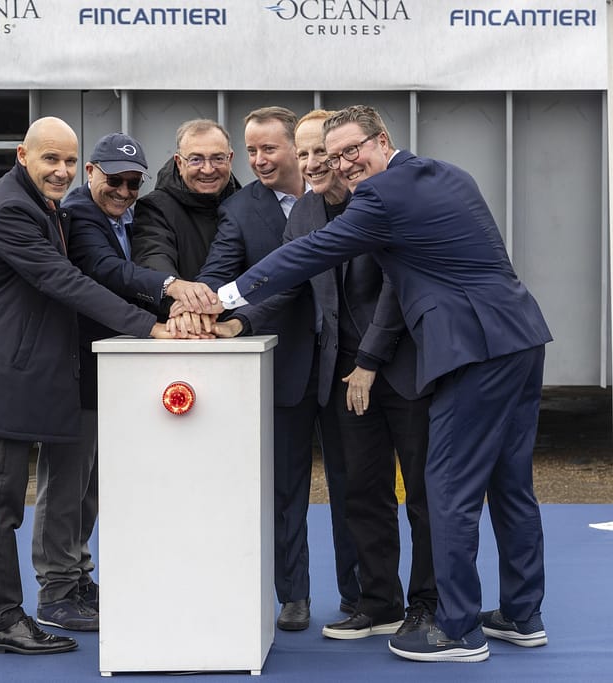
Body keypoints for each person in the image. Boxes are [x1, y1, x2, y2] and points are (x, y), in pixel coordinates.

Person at [209, 104, 552, 663]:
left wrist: (223, 297)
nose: (344, 164)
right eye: (335, 155)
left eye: (353, 150)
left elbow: (309, 252)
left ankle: (458, 629)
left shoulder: (380, 197)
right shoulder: (446, 173)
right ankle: (521, 613)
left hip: (473, 350)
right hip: (520, 335)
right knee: (511, 485)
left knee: (446, 488)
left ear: (382, 139)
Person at [0, 117, 181, 656]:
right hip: (5, 376)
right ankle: (1, 619)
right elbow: (62, 280)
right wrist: (150, 325)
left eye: (69, 162)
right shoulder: (12, 209)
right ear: (23, 155)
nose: (62, 171)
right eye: (52, 159)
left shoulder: (34, 202)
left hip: (6, 370)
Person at [220, 110, 436, 640]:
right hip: (342, 377)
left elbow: (396, 291)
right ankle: (378, 603)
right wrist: (237, 319)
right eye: (308, 153)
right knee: (362, 492)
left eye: (325, 152)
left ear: (346, 156)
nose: (315, 163)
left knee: (426, 496)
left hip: (401, 369)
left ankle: (429, 605)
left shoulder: (383, 199)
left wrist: (370, 362)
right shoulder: (308, 211)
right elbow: (289, 281)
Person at [31, 132, 216, 632]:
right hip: (75, 372)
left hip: (106, 374)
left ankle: (77, 575)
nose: (124, 190)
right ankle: (55, 590)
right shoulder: (81, 217)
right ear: (90, 172)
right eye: (114, 179)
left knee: (90, 485)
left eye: (134, 182)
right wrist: (171, 291)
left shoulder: (123, 218)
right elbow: (106, 270)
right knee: (66, 485)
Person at [195, 106, 359, 632]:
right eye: (252, 150)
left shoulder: (351, 195)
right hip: (283, 367)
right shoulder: (240, 211)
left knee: (353, 485)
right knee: (285, 490)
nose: (259, 160)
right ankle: (294, 597)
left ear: (302, 147)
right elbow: (221, 273)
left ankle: (361, 596)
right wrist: (197, 305)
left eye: (271, 148)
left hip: (346, 368)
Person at [131, 118, 242, 281]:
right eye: (196, 159)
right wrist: (178, 295)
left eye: (218, 158)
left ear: (230, 159)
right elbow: (153, 258)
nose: (208, 169)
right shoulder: (155, 209)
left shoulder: (246, 205)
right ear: (179, 163)